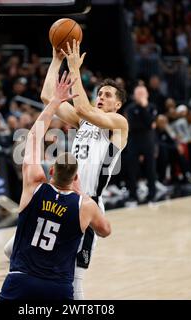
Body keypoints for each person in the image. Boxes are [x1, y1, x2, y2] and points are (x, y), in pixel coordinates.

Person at [0, 72, 111, 300]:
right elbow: (106, 230)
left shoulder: (34, 185)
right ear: (75, 176)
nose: (101, 97)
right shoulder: (84, 205)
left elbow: (32, 138)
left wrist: (55, 99)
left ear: (51, 171)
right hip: (57, 287)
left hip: (22, 279)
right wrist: (82, 195)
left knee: (13, 248)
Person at [40, 40, 128, 299]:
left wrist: (74, 68)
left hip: (87, 205)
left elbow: (83, 107)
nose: (101, 97)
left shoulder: (118, 124)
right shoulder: (83, 120)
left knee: (75, 279)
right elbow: (48, 98)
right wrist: (56, 60)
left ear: (118, 105)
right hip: (62, 196)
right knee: (14, 251)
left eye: (108, 95)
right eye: (100, 93)